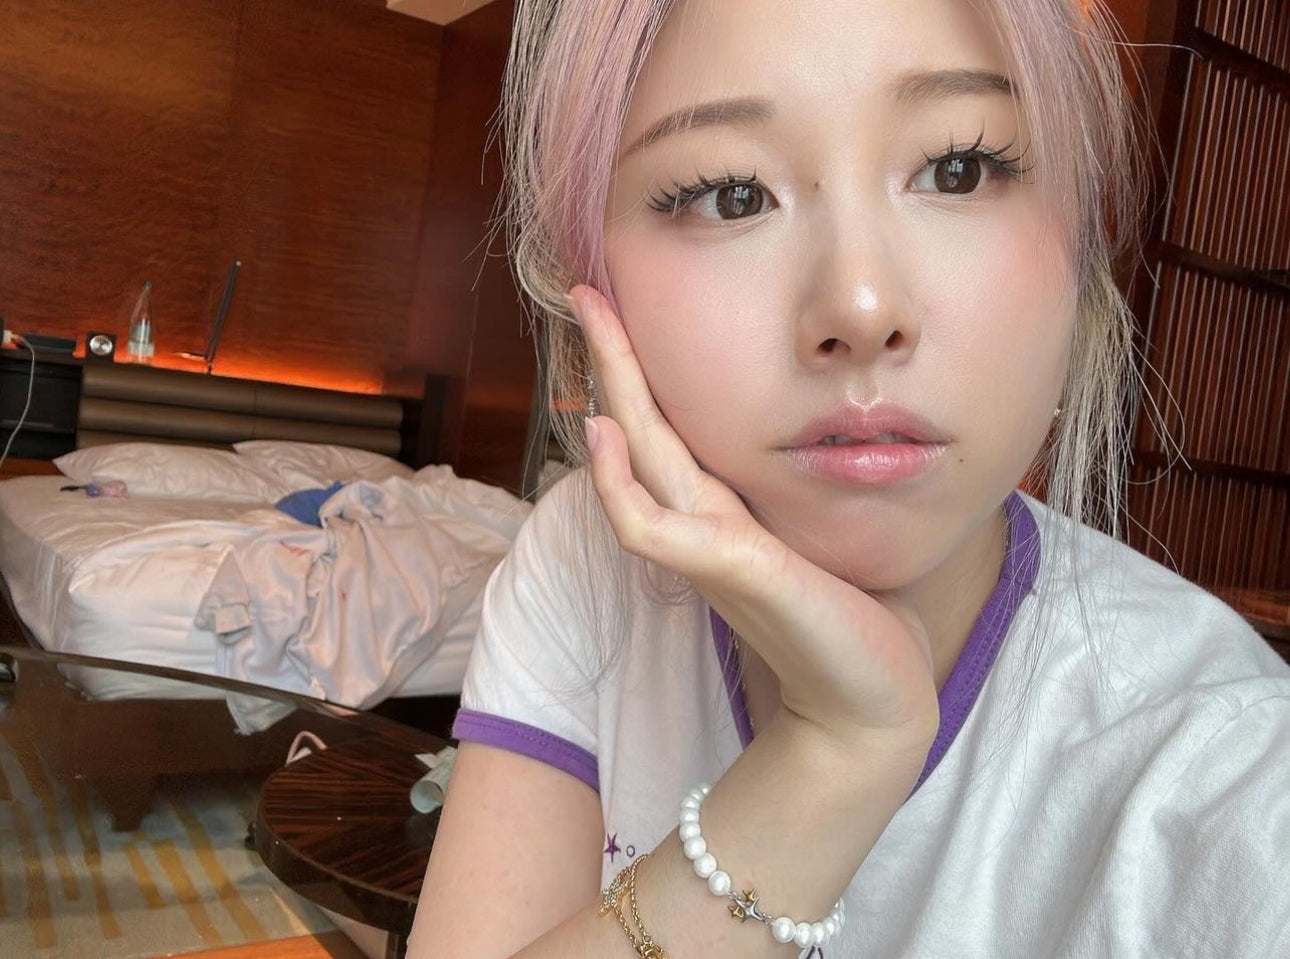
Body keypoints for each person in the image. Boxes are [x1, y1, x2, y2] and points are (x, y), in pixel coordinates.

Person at [408, 0, 1290, 956]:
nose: (862, 308)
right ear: (591, 290)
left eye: (959, 168)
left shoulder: (1228, 765)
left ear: (1080, 246)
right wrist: (833, 754)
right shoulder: (584, 563)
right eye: (730, 194)